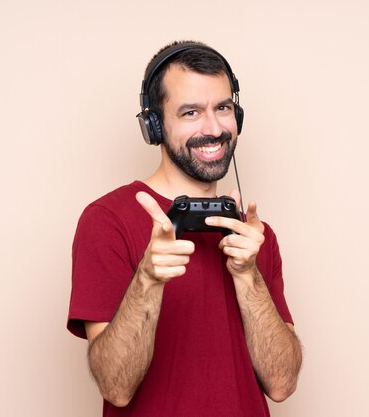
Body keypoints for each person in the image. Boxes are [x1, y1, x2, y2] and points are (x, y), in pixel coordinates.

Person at [67, 40, 302, 417]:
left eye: (223, 108)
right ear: (155, 125)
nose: (213, 128)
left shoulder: (256, 236)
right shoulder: (107, 220)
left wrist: (248, 276)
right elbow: (116, 387)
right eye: (190, 112)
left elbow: (281, 383)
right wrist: (147, 280)